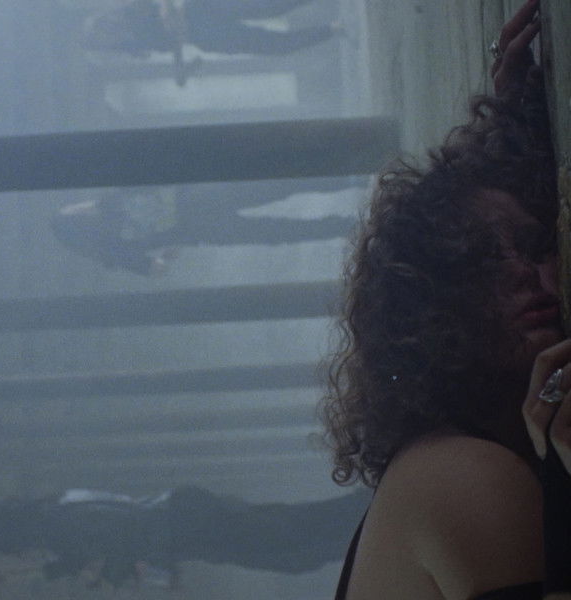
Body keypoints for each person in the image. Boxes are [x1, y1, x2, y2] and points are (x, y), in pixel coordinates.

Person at [322, 1, 571, 599]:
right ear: (430, 314)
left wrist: (520, 120)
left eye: (533, 244)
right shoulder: (463, 476)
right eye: (480, 260)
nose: (523, 273)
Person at [0, 486, 369, 588]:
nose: (24, 556)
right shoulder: (61, 510)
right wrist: (56, 570)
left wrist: (114, 573)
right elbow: (102, 538)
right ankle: (370, 521)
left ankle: (372, 510)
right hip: (188, 519)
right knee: (292, 543)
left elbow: (123, 534)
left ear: (20, 536)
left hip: (189, 524)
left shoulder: (59, 526)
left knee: (292, 539)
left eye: (18, 550)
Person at [50, 185, 359, 275]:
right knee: (274, 189)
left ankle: (347, 225)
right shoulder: (109, 198)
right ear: (77, 217)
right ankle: (348, 177)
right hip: (200, 196)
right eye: (73, 210)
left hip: (201, 229)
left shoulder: (112, 251)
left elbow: (156, 270)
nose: (78, 206)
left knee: (274, 231)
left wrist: (169, 253)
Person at [83, 0, 343, 85]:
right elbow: (173, 41)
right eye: (100, 40)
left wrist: (168, 14)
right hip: (205, 37)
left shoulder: (129, 11)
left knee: (268, 6)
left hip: (202, 10)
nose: (106, 33)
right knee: (271, 46)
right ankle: (334, 29)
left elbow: (164, 8)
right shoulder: (133, 46)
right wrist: (181, 68)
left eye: (100, 30)